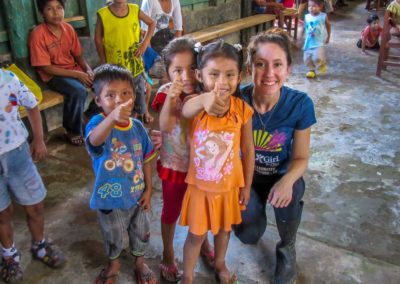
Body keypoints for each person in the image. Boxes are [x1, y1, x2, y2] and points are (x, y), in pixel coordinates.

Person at [231, 28, 316, 284]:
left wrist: (287, 180)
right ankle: (254, 216)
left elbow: (301, 158)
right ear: (249, 68)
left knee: (294, 189)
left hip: (280, 175)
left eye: (277, 64)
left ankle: (287, 246)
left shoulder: (300, 104)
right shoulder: (236, 100)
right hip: (247, 180)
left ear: (288, 68)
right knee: (248, 235)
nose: (269, 74)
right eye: (260, 64)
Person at [180, 40, 255, 284]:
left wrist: (246, 186)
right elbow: (185, 110)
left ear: (240, 75)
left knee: (224, 231)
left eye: (230, 74)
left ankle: (220, 263)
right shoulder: (196, 105)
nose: (222, 82)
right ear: (199, 75)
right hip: (200, 189)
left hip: (228, 188)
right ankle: (188, 276)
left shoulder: (242, 109)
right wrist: (203, 100)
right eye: (214, 74)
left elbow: (248, 150)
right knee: (195, 235)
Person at [85, 64, 157, 284]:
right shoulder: (98, 124)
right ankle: (114, 264)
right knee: (113, 234)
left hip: (136, 194)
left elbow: (146, 158)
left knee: (141, 231)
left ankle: (139, 263)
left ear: (134, 96)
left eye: (125, 93)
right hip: (109, 198)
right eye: (110, 95)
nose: (119, 100)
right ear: (98, 100)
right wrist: (112, 118)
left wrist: (149, 189)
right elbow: (94, 141)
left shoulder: (136, 127)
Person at [150, 38, 214, 282]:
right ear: (168, 72)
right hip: (175, 166)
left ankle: (203, 242)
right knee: (171, 212)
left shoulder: (204, 92)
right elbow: (165, 125)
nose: (185, 76)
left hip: (201, 168)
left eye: (191, 68)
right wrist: (171, 98)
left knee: (202, 209)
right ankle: (168, 253)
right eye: (177, 70)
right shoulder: (165, 93)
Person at [0, 69, 65, 283]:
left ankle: (40, 244)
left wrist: (39, 139)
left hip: (18, 155)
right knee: (2, 213)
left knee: (35, 205)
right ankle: (9, 256)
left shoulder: (8, 78)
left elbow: (31, 103)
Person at [29, 0, 93, 146]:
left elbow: (78, 56)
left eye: (59, 8)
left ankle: (88, 116)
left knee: (103, 82)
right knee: (78, 91)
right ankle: (72, 130)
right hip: (54, 75)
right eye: (50, 9)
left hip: (73, 69)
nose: (56, 13)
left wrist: (88, 70)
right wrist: (78, 75)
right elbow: (46, 68)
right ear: (42, 13)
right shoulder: (38, 34)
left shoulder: (68, 29)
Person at [95, 0, 156, 125]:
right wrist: (103, 61)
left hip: (134, 64)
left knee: (137, 92)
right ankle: (117, 120)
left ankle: (137, 117)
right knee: (117, 93)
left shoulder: (134, 9)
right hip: (115, 67)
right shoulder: (103, 14)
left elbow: (152, 23)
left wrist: (144, 44)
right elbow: (97, 39)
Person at [302, 0, 331, 79]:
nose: (311, 8)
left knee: (317, 58)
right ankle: (311, 70)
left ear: (320, 7)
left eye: (314, 6)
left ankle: (322, 63)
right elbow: (305, 26)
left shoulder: (323, 16)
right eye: (309, 6)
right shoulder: (307, 16)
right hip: (308, 43)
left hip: (318, 42)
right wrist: (301, 36)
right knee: (306, 59)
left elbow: (328, 25)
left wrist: (328, 36)